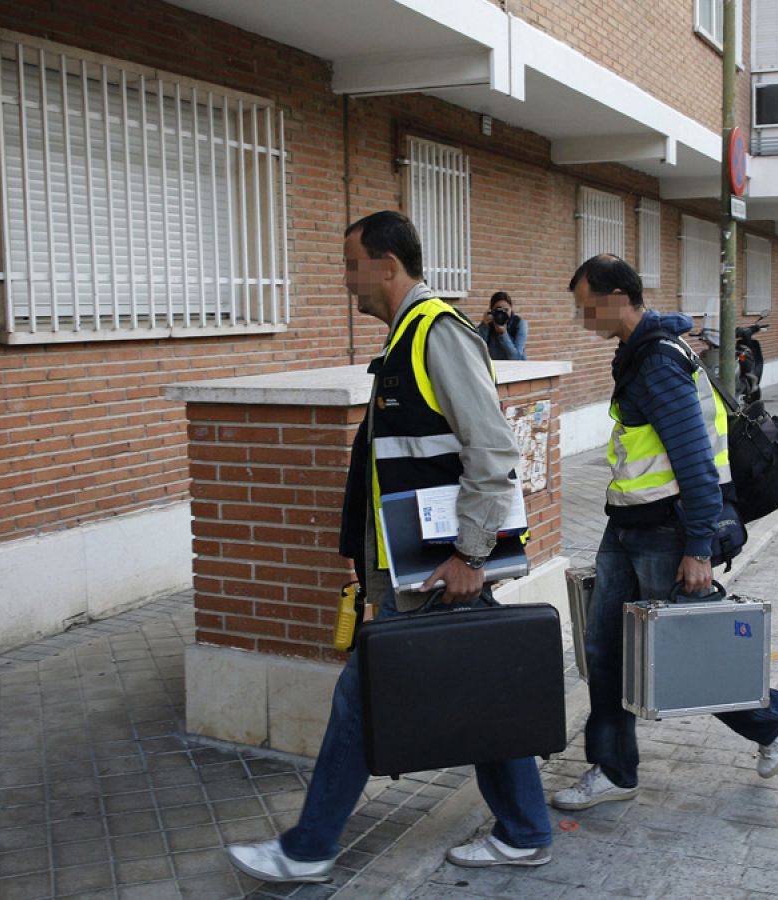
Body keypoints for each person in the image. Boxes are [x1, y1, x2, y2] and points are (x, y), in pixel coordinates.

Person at [226, 211, 553, 882]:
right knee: (481, 692)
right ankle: (524, 829)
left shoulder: (436, 336)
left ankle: (308, 848)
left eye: (351, 265)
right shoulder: (406, 342)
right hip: (418, 572)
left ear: (386, 266)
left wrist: (469, 554)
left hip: (437, 573)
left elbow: (492, 451)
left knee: (361, 703)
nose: (347, 281)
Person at [552, 254, 778, 813]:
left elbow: (695, 459)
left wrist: (698, 546)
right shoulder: (639, 353)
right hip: (628, 523)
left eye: (586, 305)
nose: (581, 316)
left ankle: (772, 716)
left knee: (689, 649)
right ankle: (614, 769)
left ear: (616, 296)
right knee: (606, 650)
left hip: (669, 529)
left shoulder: (658, 361)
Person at [478, 291, 528, 360]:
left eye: (506, 310)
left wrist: (503, 334)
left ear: (511, 309)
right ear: (491, 310)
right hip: (495, 368)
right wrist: (484, 325)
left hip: (516, 369)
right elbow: (477, 350)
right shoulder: (488, 324)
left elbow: (516, 358)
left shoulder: (519, 324)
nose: (502, 314)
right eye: (498, 310)